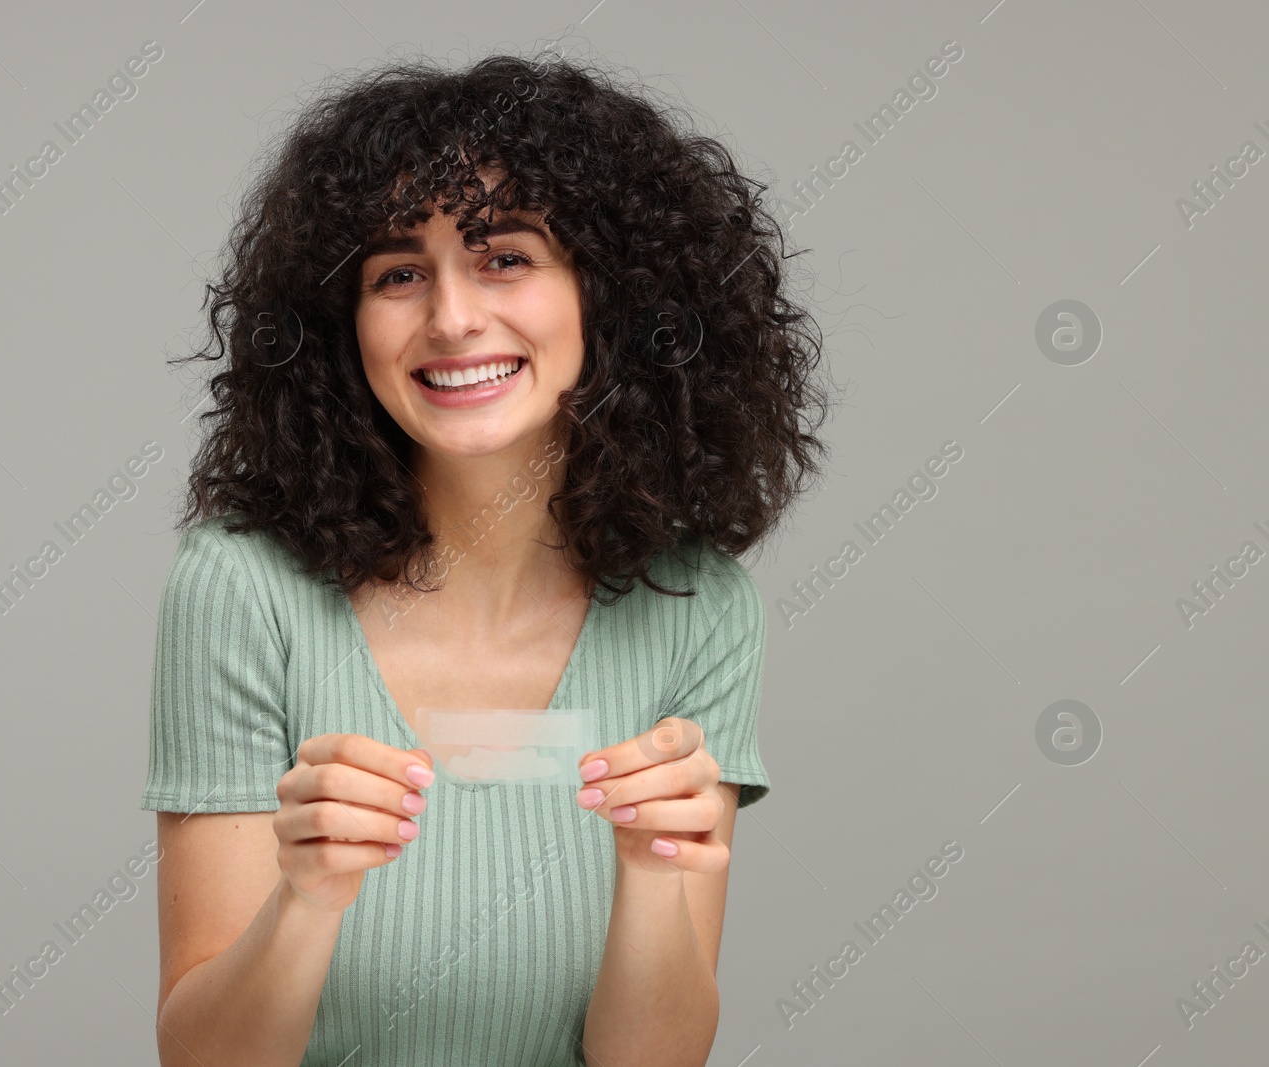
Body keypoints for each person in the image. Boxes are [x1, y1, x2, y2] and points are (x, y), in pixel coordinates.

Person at [140, 47, 833, 1067]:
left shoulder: (697, 605)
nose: (452, 317)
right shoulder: (242, 591)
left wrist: (650, 872)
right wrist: (307, 899)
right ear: (342, 325)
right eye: (398, 273)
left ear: (612, 296)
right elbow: (202, 1057)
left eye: (505, 255)